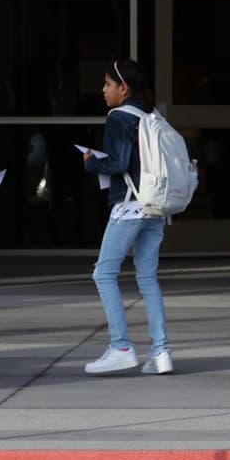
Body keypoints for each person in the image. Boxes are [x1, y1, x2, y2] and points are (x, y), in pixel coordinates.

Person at [81, 59, 172, 375]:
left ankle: (121, 346)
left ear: (124, 88)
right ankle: (161, 352)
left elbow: (118, 163)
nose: (103, 90)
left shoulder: (117, 117)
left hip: (130, 207)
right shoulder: (150, 116)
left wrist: (92, 162)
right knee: (147, 277)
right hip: (155, 208)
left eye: (108, 84)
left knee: (103, 273)